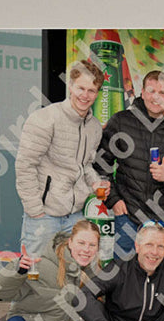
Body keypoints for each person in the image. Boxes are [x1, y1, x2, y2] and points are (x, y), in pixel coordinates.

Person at [94, 70, 164, 258]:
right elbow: (100, 165)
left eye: (162, 92)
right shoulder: (121, 121)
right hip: (127, 217)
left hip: (161, 221)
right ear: (142, 92)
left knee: (155, 274)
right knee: (124, 272)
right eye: (151, 91)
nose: (156, 97)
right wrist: (113, 200)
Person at [16, 60, 109, 255]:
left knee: (72, 270)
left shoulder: (94, 127)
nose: (85, 95)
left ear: (97, 93)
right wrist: (35, 211)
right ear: (71, 86)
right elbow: (25, 165)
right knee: (37, 269)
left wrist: (95, 183)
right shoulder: (45, 118)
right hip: (44, 216)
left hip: (75, 217)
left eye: (91, 91)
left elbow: (86, 165)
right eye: (81, 88)